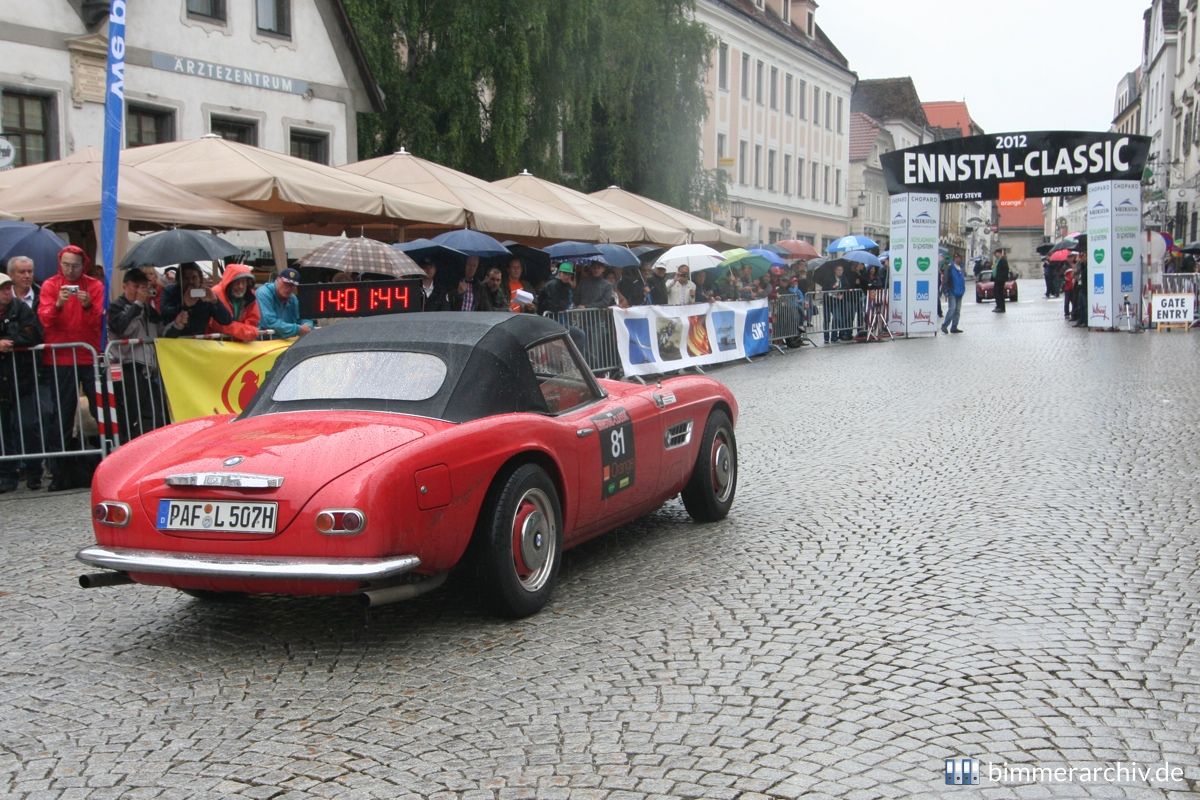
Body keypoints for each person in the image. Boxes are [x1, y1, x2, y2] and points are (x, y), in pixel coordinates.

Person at [36, 245, 104, 491]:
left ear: (82, 264)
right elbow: (44, 319)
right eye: (66, 264)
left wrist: (86, 306)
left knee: (101, 411)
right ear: (60, 263)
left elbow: (97, 321)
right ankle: (59, 473)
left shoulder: (94, 286)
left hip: (87, 355)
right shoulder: (50, 286)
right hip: (59, 358)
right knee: (61, 417)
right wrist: (57, 304)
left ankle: (106, 465)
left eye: (75, 265)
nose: (70, 270)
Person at [107, 268, 166, 442]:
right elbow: (121, 329)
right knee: (130, 415)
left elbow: (161, 331)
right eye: (136, 286)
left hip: (148, 367)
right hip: (127, 366)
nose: (141, 290)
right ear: (125, 286)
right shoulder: (117, 306)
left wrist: (177, 324)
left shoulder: (149, 309)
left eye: (144, 286)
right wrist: (138, 304)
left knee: (155, 414)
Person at [0, 272, 42, 493]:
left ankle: (34, 471)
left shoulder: (21, 309)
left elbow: (35, 334)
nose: (7, 292)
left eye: (8, 288)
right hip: (2, 382)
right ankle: (7, 474)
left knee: (28, 425)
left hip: (22, 377)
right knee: (4, 429)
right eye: (3, 289)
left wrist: (11, 342)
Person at [161, 262, 233, 337]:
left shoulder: (205, 294)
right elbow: (164, 314)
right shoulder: (170, 291)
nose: (190, 282)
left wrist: (215, 301)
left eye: (194, 277)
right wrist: (184, 305)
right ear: (180, 280)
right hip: (173, 339)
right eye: (186, 278)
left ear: (200, 278)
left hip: (198, 341)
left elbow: (226, 320)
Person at [208, 264, 260, 342]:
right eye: (237, 282)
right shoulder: (216, 293)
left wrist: (244, 332)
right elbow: (217, 324)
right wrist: (245, 332)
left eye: (244, 282)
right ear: (229, 283)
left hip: (240, 344)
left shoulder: (250, 296)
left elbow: (253, 320)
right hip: (215, 343)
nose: (241, 286)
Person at [256, 267, 314, 338]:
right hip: (263, 343)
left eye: (292, 285)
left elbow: (304, 318)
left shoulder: (293, 298)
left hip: (285, 343)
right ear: (277, 279)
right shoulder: (263, 293)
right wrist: (298, 329)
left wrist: (307, 325)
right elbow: (269, 322)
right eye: (286, 283)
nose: (288, 288)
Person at [941, 254, 966, 334]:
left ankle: (954, 327)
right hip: (952, 291)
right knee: (952, 309)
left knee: (957, 311)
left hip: (960, 292)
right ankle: (944, 326)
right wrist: (945, 291)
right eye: (956, 258)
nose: (958, 259)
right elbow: (945, 279)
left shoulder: (961, 268)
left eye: (959, 258)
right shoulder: (950, 267)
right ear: (954, 259)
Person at [991, 247, 1009, 313]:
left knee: (999, 293)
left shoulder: (1003, 260)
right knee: (996, 293)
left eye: (996, 253)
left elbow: (1005, 270)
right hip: (997, 279)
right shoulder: (997, 260)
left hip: (1000, 280)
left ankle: (1000, 307)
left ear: (1000, 253)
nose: (995, 255)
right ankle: (998, 306)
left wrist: (1002, 278)